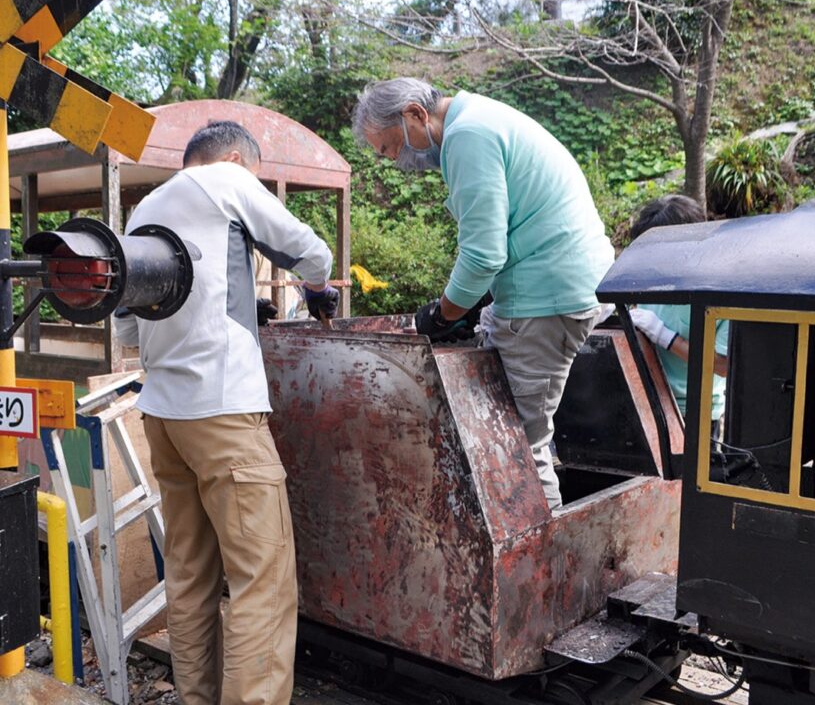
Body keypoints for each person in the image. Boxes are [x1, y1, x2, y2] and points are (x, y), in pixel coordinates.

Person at [113, 121, 339, 705]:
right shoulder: (227, 181)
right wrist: (316, 290)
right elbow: (313, 252)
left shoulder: (143, 212)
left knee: (189, 577)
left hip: (164, 417)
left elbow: (126, 324)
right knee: (261, 582)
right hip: (224, 415)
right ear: (237, 159)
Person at [352, 78, 616, 511]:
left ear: (415, 114)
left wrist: (440, 316)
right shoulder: (482, 117)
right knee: (523, 439)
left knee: (518, 448)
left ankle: (534, 568)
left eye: (392, 147)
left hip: (544, 298)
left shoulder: (467, 135)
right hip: (560, 286)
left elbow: (481, 255)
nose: (397, 161)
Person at [628, 195, 728, 436]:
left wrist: (666, 337)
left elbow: (724, 365)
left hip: (695, 412)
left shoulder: (719, 291)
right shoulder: (652, 281)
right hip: (650, 403)